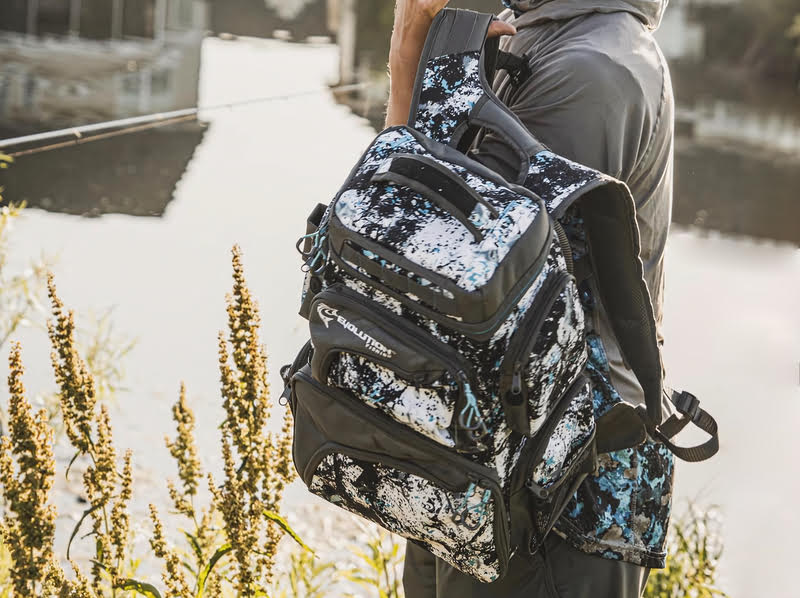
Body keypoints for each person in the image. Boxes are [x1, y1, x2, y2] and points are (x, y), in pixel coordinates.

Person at [385, 1, 676, 597]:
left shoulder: (592, 71)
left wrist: (410, 59)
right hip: (485, 461)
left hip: (557, 502)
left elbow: (424, 260)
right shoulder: (535, 36)